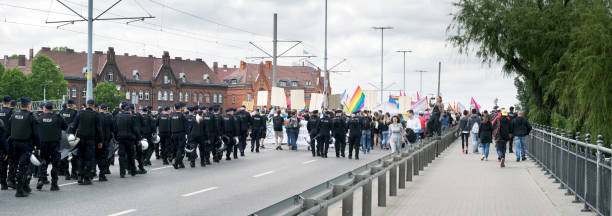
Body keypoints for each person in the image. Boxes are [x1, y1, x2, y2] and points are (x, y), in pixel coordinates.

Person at [8, 97, 40, 197]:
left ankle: (25, 186)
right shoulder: (30, 116)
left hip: (14, 144)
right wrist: (38, 147)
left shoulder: (14, 115)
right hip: (26, 145)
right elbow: (36, 133)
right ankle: (19, 190)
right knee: (23, 167)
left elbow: (9, 130)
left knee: (16, 165)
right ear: (29, 105)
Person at [70, 99, 103, 185]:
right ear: (93, 105)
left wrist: (71, 136)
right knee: (89, 158)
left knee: (80, 157)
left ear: (87, 105)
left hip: (80, 139)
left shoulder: (79, 113)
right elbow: (99, 129)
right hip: (91, 139)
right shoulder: (96, 115)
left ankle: (80, 176)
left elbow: (73, 126)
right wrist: (100, 141)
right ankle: (86, 177)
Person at [35, 102, 67, 191]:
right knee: (55, 164)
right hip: (54, 144)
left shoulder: (39, 118)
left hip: (42, 144)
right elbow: (65, 127)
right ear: (52, 109)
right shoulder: (57, 117)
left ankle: (41, 179)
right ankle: (54, 184)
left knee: (43, 161)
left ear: (44, 109)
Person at [114, 105, 139, 177]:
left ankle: (122, 173)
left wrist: (116, 138)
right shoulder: (131, 117)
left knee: (121, 156)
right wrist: (138, 139)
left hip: (121, 139)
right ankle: (133, 171)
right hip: (129, 139)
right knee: (131, 155)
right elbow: (135, 129)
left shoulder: (118, 117)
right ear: (129, 110)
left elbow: (115, 129)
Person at [59, 99, 78, 180]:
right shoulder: (75, 113)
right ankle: (74, 173)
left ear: (67, 105)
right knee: (74, 154)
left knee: (64, 154)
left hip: (63, 135)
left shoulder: (61, 112)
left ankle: (66, 173)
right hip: (71, 135)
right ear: (72, 105)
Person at [0, 96, 15, 190]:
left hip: (0, 139)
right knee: (12, 160)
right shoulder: (12, 112)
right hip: (9, 139)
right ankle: (10, 179)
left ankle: (3, 182)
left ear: (2, 102)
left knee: (2, 161)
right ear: (9, 103)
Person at [98, 104, 115, 180]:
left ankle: (92, 171)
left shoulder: (97, 116)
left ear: (100, 109)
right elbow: (113, 128)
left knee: (96, 156)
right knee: (104, 156)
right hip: (106, 140)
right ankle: (102, 173)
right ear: (106, 109)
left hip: (97, 140)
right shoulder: (110, 117)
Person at [170, 103, 190, 169]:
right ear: (180, 108)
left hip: (173, 134)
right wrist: (188, 135)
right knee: (180, 149)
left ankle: (181, 163)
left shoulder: (171, 115)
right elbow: (186, 126)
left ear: (175, 108)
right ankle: (176, 163)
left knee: (176, 149)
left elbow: (170, 125)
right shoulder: (182, 115)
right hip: (181, 134)